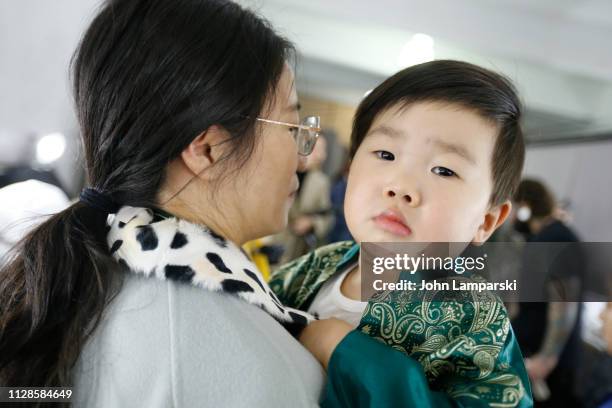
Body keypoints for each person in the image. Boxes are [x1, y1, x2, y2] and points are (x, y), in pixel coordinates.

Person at [0, 1, 329, 406]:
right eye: (292, 126)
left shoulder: (80, 282)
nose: (302, 154)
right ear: (208, 149)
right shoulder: (237, 358)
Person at [271, 60, 533, 407]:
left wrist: (343, 350)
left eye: (443, 170)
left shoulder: (476, 318)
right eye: (385, 153)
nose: (401, 186)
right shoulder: (312, 268)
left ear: (486, 220)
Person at [511, 178, 584, 407]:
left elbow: (564, 302)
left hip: (545, 366)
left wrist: (546, 359)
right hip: (531, 354)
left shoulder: (556, 239)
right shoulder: (541, 239)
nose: (511, 215)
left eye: (513, 207)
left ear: (525, 206)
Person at [278, 134, 333, 264]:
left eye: (323, 150)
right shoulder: (281, 171)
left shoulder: (322, 181)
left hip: (297, 251)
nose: (322, 155)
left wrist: (311, 222)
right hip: (272, 241)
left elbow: (327, 216)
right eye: (317, 149)